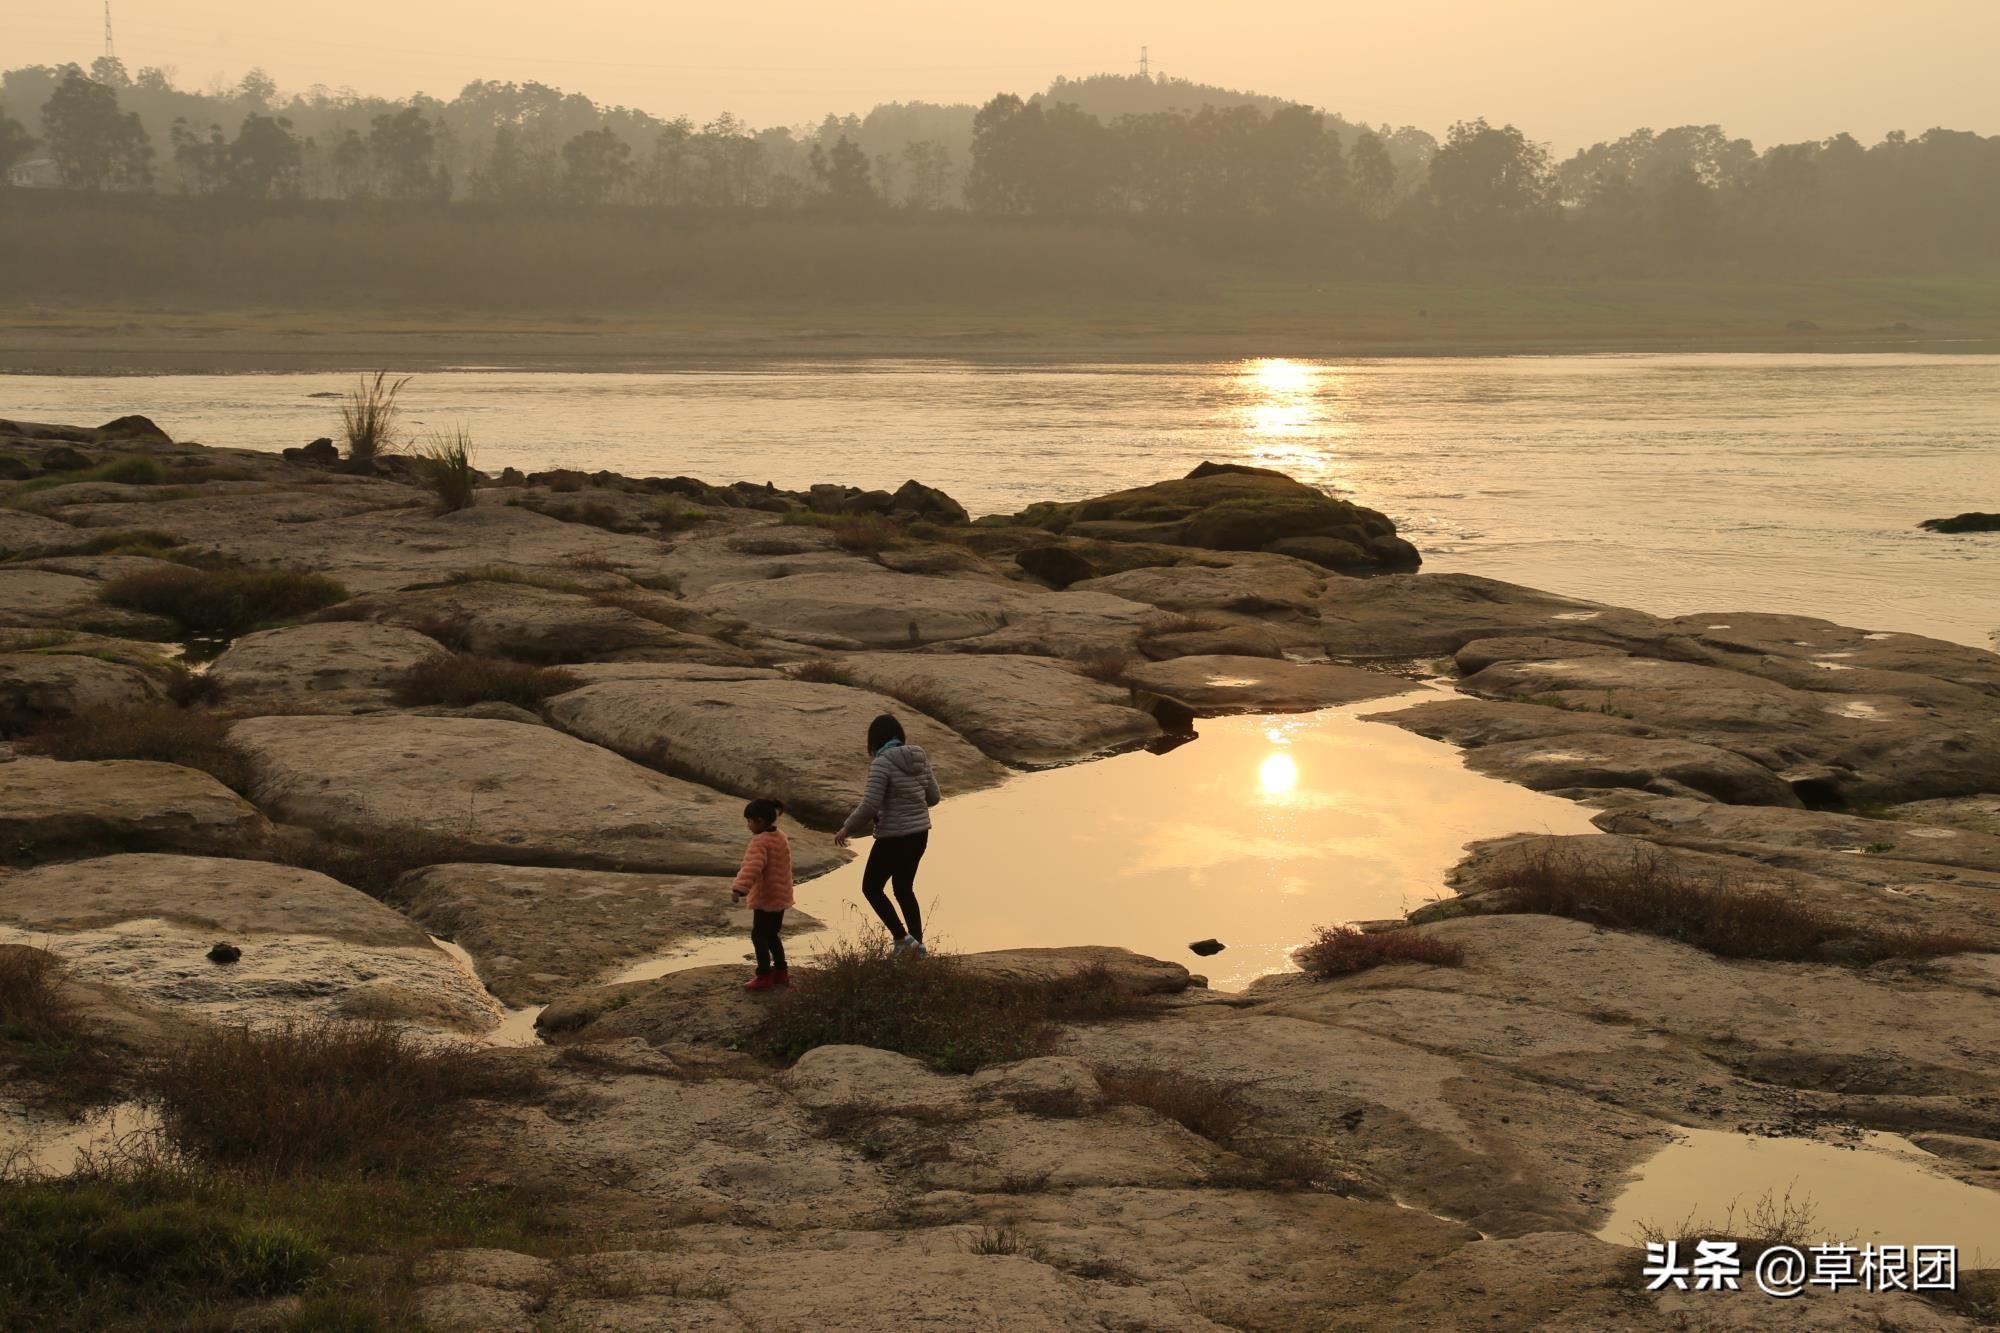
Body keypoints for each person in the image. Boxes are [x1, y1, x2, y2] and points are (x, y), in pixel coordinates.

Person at [834, 713, 940, 957]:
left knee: (871, 888)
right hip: (919, 835)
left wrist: (847, 827)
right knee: (904, 888)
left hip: (893, 837)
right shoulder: (919, 756)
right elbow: (933, 798)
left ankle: (902, 939)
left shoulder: (881, 764)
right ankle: (918, 945)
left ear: (874, 741)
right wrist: (910, 801)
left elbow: (870, 804)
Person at [731, 797, 794, 991]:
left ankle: (764, 975)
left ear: (759, 821)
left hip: (766, 898)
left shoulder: (759, 842)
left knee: (759, 936)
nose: (748, 825)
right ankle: (781, 972)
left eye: (749, 821)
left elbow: (752, 867)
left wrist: (739, 889)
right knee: (773, 935)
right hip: (781, 896)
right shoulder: (780, 836)